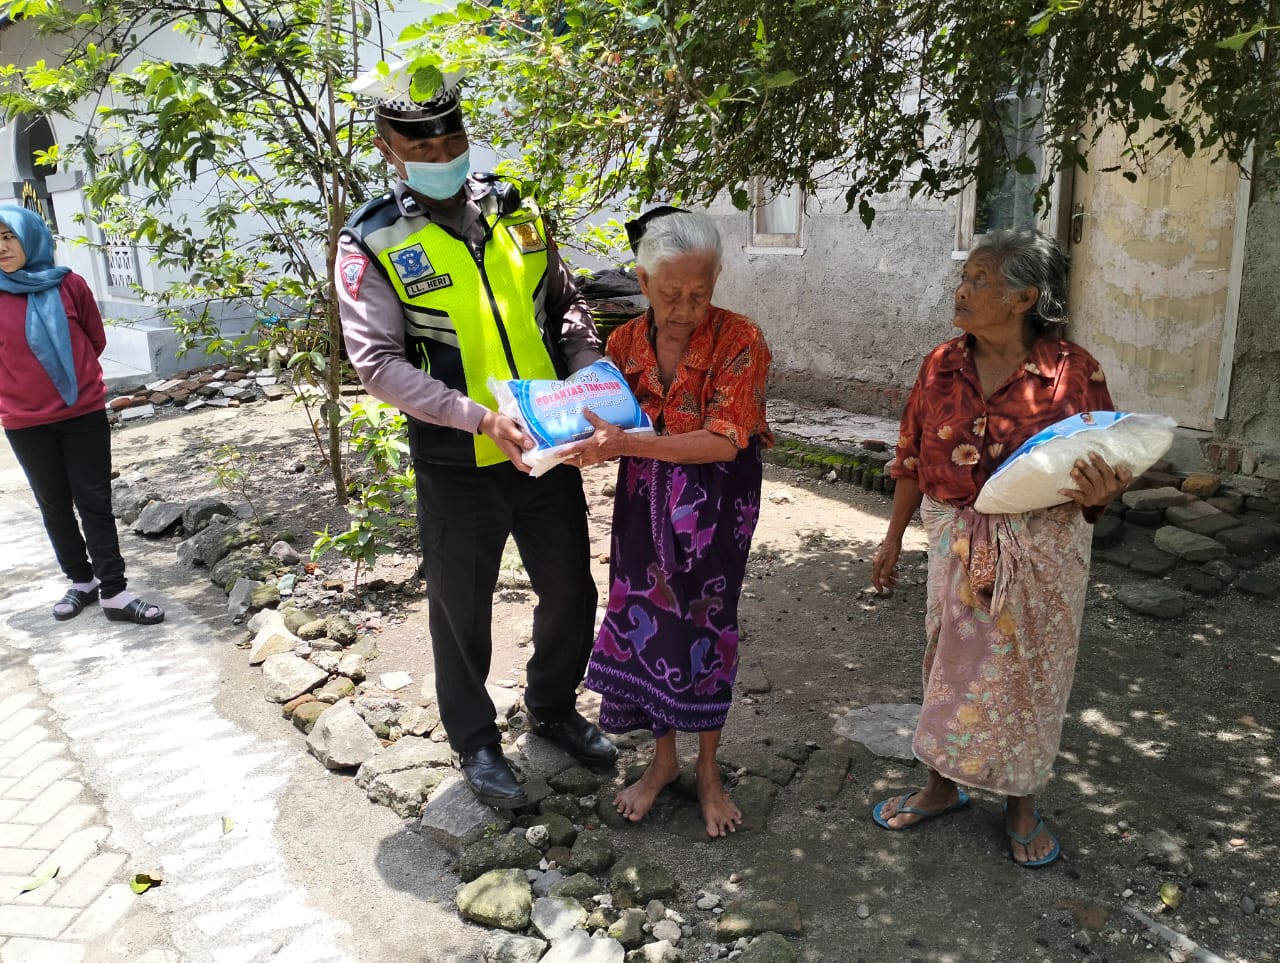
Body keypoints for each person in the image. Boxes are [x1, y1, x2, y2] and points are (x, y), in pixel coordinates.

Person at [336, 63, 616, 809]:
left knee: (571, 590)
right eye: (421, 149)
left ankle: (552, 707)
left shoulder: (514, 208)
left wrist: (588, 371)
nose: (442, 157)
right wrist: (479, 416)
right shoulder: (372, 240)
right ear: (387, 149)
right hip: (458, 458)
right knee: (462, 609)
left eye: (452, 141)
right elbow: (378, 365)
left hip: (548, 448)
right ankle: (477, 742)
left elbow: (565, 303)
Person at [870, 229, 1130, 867]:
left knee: (1033, 671)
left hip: (1044, 543)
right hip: (955, 538)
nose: (962, 289)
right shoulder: (941, 365)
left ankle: (1020, 801)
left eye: (980, 279)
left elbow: (1106, 462)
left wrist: (1105, 490)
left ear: (1024, 298)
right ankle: (941, 785)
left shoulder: (1072, 372)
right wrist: (893, 536)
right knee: (946, 663)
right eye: (966, 277)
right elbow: (910, 456)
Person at [563, 208, 772, 837]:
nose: (684, 309)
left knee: (707, 625)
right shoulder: (625, 343)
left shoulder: (741, 340)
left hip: (717, 505)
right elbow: (607, 425)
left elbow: (724, 441)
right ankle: (662, 762)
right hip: (643, 501)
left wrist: (628, 444)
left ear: (715, 283)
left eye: (699, 294)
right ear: (643, 282)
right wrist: (570, 443)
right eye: (670, 293)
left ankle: (708, 773)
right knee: (648, 621)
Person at [0, 205, 164, 625]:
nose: (2, 247)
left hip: (82, 413)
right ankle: (81, 580)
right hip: (24, 421)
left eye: (8, 236)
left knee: (94, 502)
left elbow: (94, 338)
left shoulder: (70, 285)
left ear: (30, 236)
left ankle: (114, 591)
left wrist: (72, 381)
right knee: (53, 504)